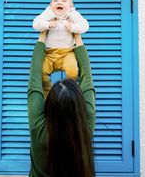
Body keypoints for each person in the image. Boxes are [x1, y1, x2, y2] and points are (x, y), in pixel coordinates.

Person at [28, 31, 95, 177]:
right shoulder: (86, 127)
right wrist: (77, 35)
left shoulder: (38, 127)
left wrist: (43, 36)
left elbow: (35, 78)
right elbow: (87, 79)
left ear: (49, 104)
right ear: (79, 103)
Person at [32, 0, 89, 97]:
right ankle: (48, 92)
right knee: (41, 72)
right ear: (50, 4)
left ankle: (69, 91)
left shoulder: (72, 13)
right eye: (56, 0)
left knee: (73, 70)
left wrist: (72, 26)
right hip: (49, 53)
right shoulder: (48, 12)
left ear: (71, 5)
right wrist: (47, 24)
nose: (59, 3)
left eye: (64, 1)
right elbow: (35, 23)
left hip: (67, 53)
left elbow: (85, 26)